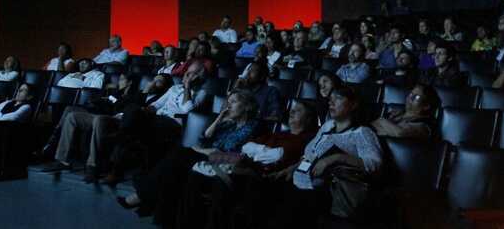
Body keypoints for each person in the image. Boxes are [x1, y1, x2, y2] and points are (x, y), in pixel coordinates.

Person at [116, 91, 260, 227]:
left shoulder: (252, 126)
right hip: (211, 155)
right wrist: (219, 118)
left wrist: (200, 149)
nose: (228, 106)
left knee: (181, 154)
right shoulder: (228, 124)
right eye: (228, 102)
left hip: (229, 161)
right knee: (177, 162)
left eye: (233, 102)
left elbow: (227, 148)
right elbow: (204, 138)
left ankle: (143, 198)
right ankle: (154, 207)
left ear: (247, 106)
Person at [178, 100, 320, 228]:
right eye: (293, 109)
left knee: (197, 161)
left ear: (308, 119)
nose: (292, 112)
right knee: (188, 160)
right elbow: (247, 146)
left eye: (298, 110)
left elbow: (276, 156)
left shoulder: (304, 140)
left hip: (255, 173)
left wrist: (258, 151)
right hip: (238, 160)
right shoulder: (277, 134)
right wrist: (261, 151)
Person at [266, 86, 383, 227]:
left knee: (290, 202)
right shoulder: (327, 126)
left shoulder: (362, 132)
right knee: (266, 186)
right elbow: (310, 155)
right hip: (307, 180)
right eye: (330, 99)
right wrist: (291, 169)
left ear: (353, 104)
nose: (331, 103)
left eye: (338, 98)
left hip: (331, 190)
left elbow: (374, 163)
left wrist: (335, 158)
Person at [42, 73, 153, 182]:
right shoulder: (116, 93)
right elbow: (104, 103)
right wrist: (104, 97)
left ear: (130, 82)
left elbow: (136, 107)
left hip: (119, 120)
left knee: (99, 120)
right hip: (104, 116)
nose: (119, 82)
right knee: (72, 116)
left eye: (122, 79)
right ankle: (62, 161)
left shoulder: (137, 94)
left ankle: (93, 166)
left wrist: (144, 91)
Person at [371, 84, 439, 139]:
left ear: (426, 106)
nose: (410, 98)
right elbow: (373, 125)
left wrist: (382, 121)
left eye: (417, 97)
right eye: (411, 94)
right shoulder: (397, 113)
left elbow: (400, 133)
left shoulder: (424, 125)